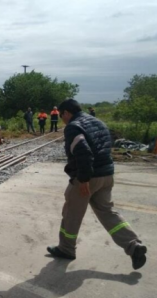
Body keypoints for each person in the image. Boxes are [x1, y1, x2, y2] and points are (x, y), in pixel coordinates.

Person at [47, 99, 147, 270]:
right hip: (107, 175)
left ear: (65, 113)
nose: (63, 120)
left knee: (72, 213)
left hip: (88, 177)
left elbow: (83, 151)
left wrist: (83, 179)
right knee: (108, 212)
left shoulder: (73, 126)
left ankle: (66, 249)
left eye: (62, 116)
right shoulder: (98, 121)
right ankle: (133, 245)